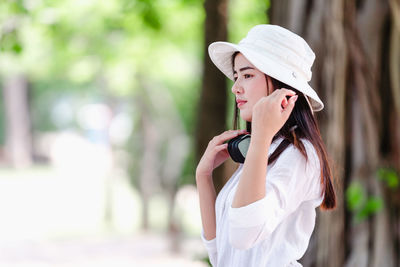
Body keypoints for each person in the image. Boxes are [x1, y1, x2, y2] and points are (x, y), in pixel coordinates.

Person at [196, 24, 337, 267]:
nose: (235, 86)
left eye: (247, 75)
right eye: (236, 75)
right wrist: (203, 176)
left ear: (284, 89)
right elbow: (220, 254)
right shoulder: (262, 150)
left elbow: (243, 235)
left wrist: (260, 137)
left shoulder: (299, 155)